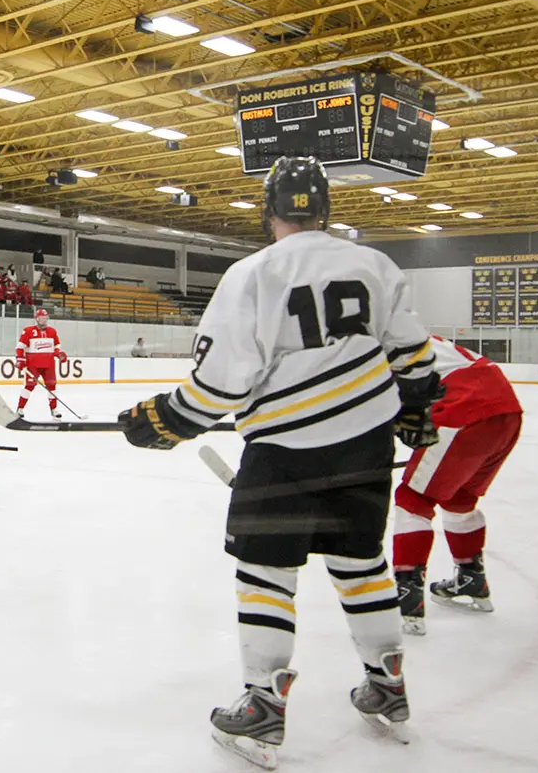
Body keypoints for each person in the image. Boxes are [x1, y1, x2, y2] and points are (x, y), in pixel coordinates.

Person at [114, 156, 438, 768]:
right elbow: (416, 356)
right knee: (362, 561)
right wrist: (415, 409)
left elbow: (221, 385)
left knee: (266, 572)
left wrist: (165, 420)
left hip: (284, 451)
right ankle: (387, 683)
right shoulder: (375, 264)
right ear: (325, 209)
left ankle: (263, 703)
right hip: (367, 444)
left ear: (269, 212)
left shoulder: (253, 273)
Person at [393, 337, 522, 635]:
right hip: (506, 411)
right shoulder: (412, 335)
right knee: (459, 499)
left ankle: (407, 593)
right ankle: (471, 577)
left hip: (466, 407)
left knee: (414, 499)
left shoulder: (376, 343)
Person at [15, 308, 66, 418]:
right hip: (33, 365)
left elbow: (56, 347)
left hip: (49, 364)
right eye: (41, 319)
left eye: (45, 318)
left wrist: (59, 354)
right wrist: (20, 360)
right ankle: (20, 408)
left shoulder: (52, 331)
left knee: (52, 386)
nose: (44, 321)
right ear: (36, 319)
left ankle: (54, 409)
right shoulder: (28, 331)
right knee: (30, 386)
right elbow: (20, 347)